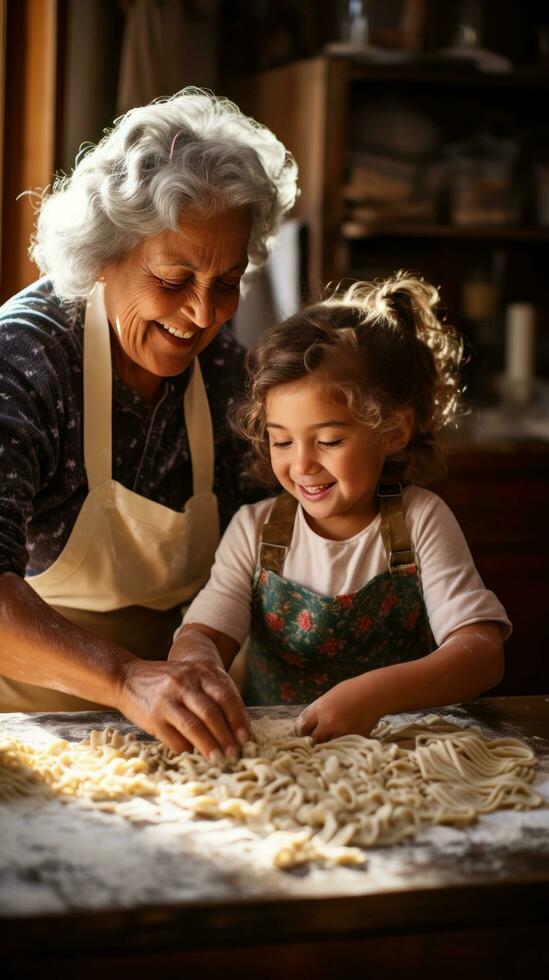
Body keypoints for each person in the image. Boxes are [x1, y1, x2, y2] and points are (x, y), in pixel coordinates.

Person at [0, 89, 298, 762]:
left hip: (185, 722)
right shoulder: (26, 360)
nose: (201, 315)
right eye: (173, 279)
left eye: (225, 284)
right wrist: (125, 678)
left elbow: (263, 556)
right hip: (27, 729)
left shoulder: (226, 374)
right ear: (103, 255)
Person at [173, 272, 510, 743]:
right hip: (278, 751)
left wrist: (373, 695)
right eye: (282, 441)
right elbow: (205, 634)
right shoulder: (255, 530)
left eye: (329, 440)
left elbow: (481, 653)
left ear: (393, 431)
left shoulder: (420, 521)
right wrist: (196, 666)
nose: (303, 463)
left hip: (400, 750)